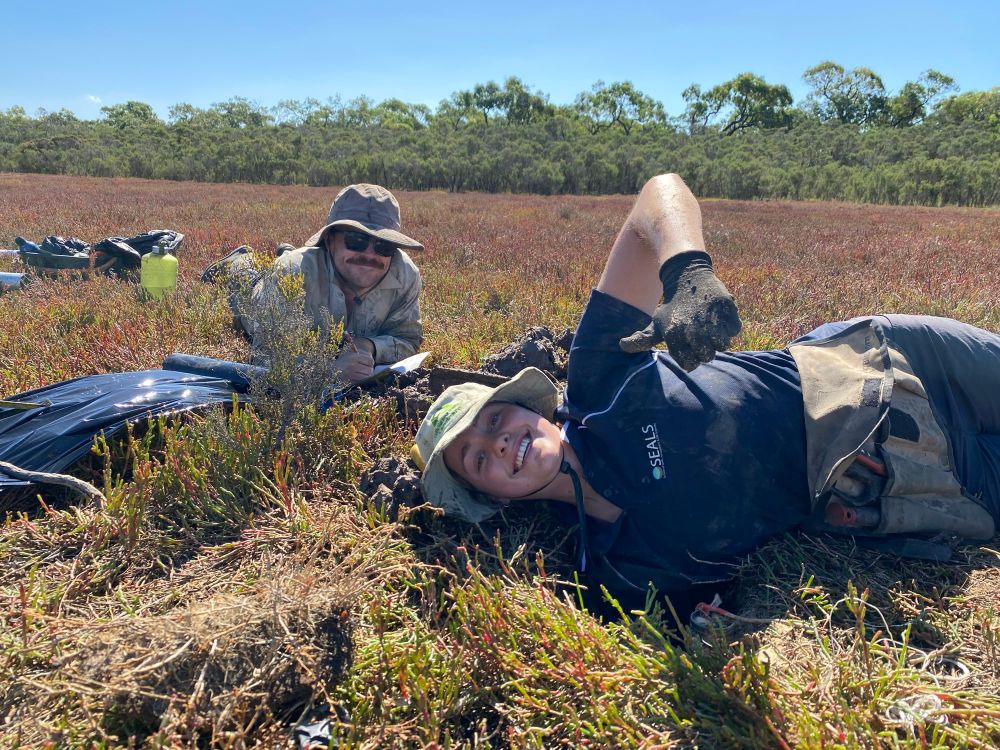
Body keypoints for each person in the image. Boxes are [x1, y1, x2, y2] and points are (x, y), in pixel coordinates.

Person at [410, 173, 1000, 598]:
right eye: (476, 459)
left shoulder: (599, 383)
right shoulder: (618, 572)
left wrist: (685, 270)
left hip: (886, 363)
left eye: (494, 420)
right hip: (911, 481)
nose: (500, 443)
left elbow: (658, 194)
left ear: (526, 407)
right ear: (488, 497)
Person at [239, 183, 424, 384]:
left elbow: (408, 338)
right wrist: (329, 372)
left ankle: (288, 250)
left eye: (383, 245)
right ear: (329, 241)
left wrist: (369, 346)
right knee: (244, 282)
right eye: (356, 240)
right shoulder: (290, 274)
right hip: (260, 294)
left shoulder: (405, 275)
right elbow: (266, 354)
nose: (369, 255)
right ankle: (238, 261)